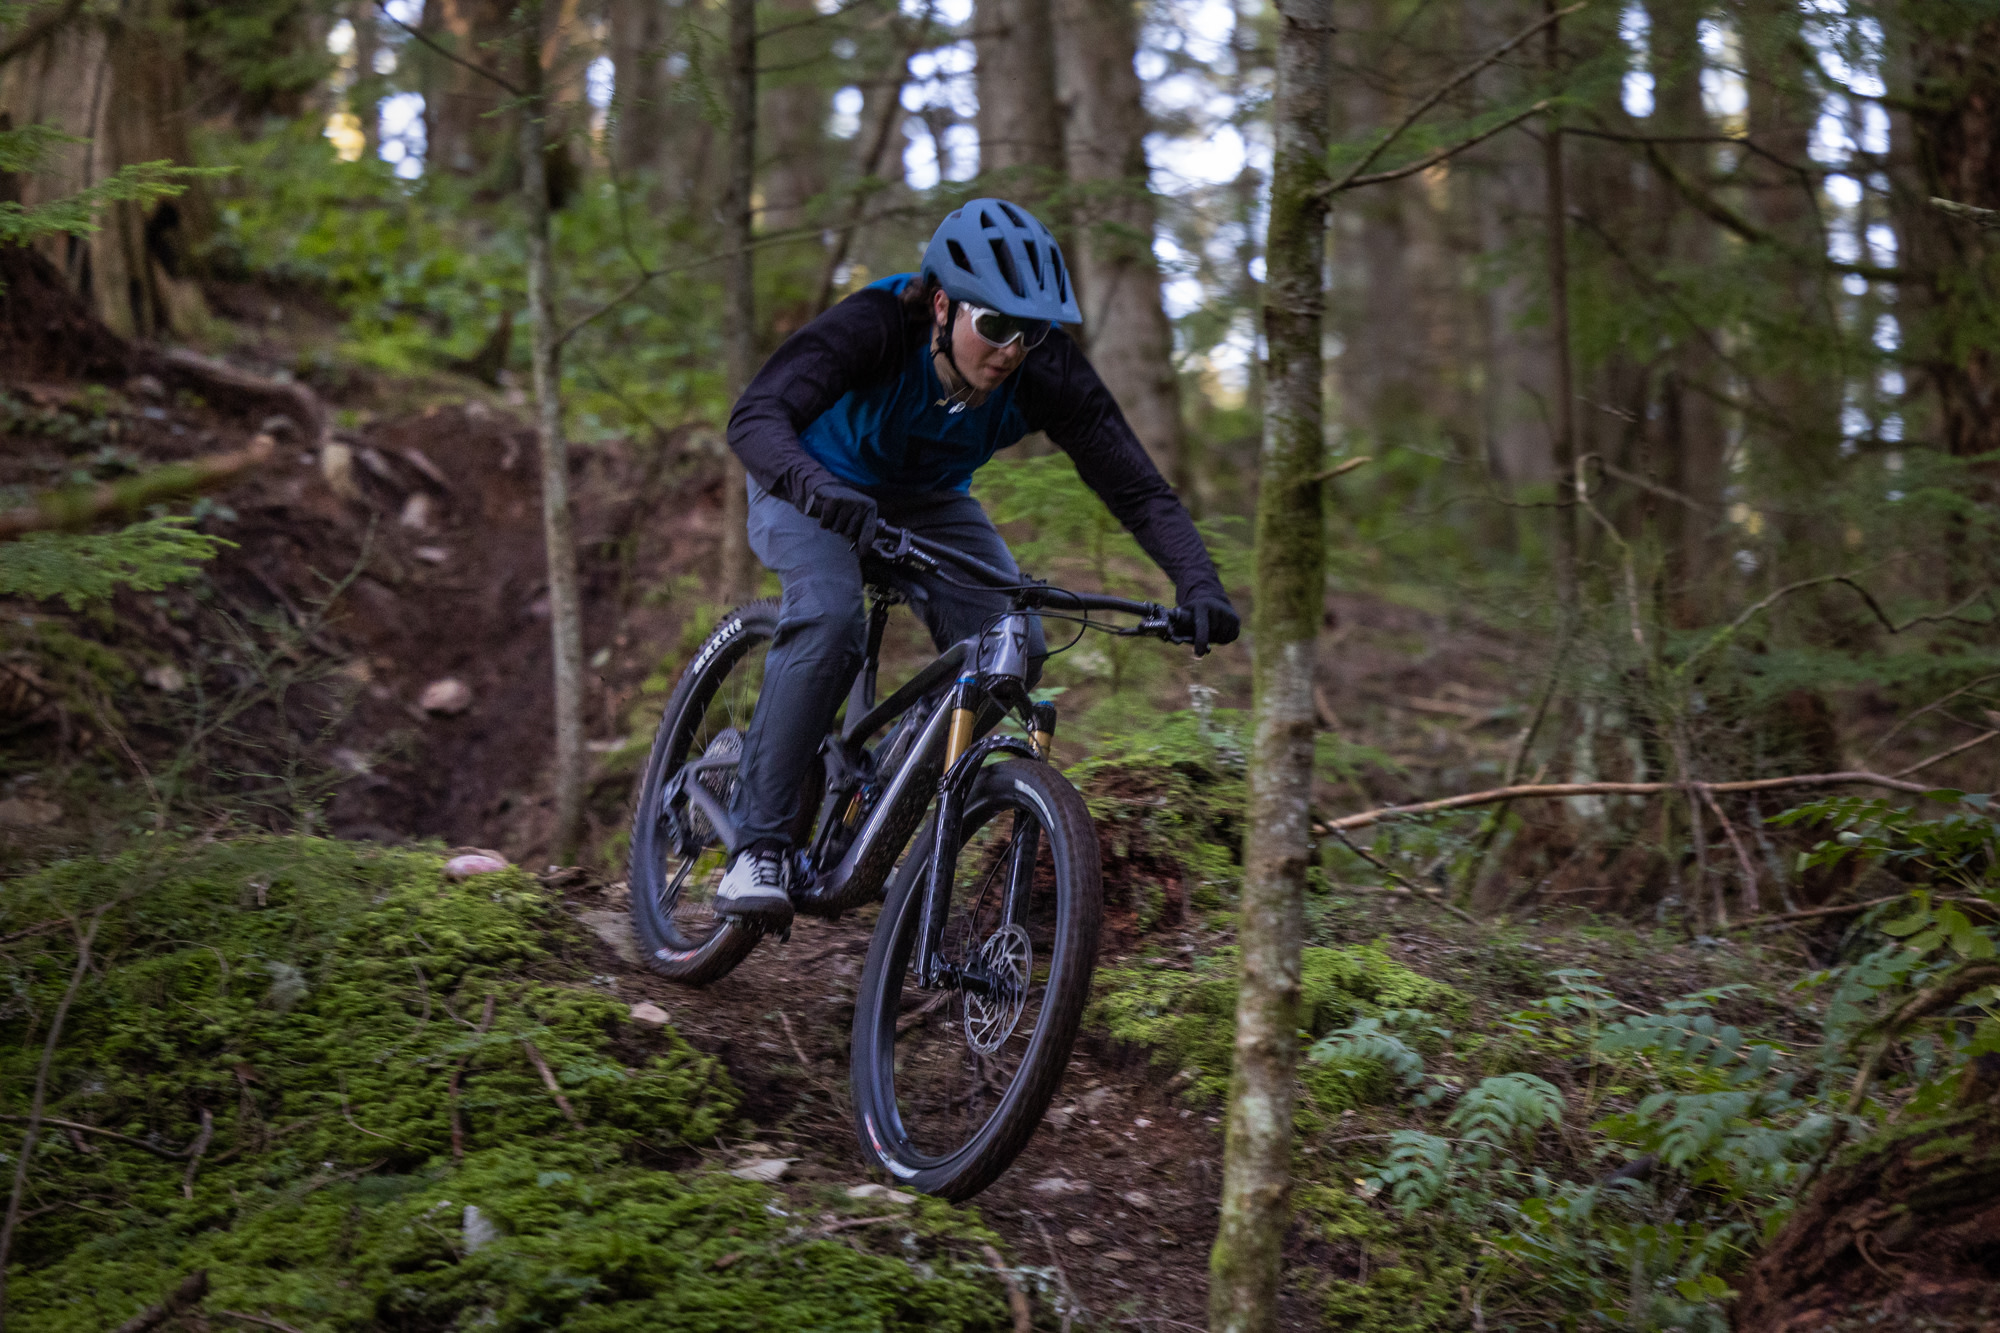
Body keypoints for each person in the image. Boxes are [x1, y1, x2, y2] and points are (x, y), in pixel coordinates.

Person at [716, 198, 1238, 924]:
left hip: (927, 499)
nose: (1010, 350)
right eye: (993, 326)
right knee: (830, 616)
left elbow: (1137, 487)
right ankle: (757, 847)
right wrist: (817, 489)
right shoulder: (877, 324)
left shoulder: (1043, 368)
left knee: (1013, 646)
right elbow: (755, 417)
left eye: (1030, 332)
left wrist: (1198, 579)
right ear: (942, 305)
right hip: (807, 477)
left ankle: (879, 789)